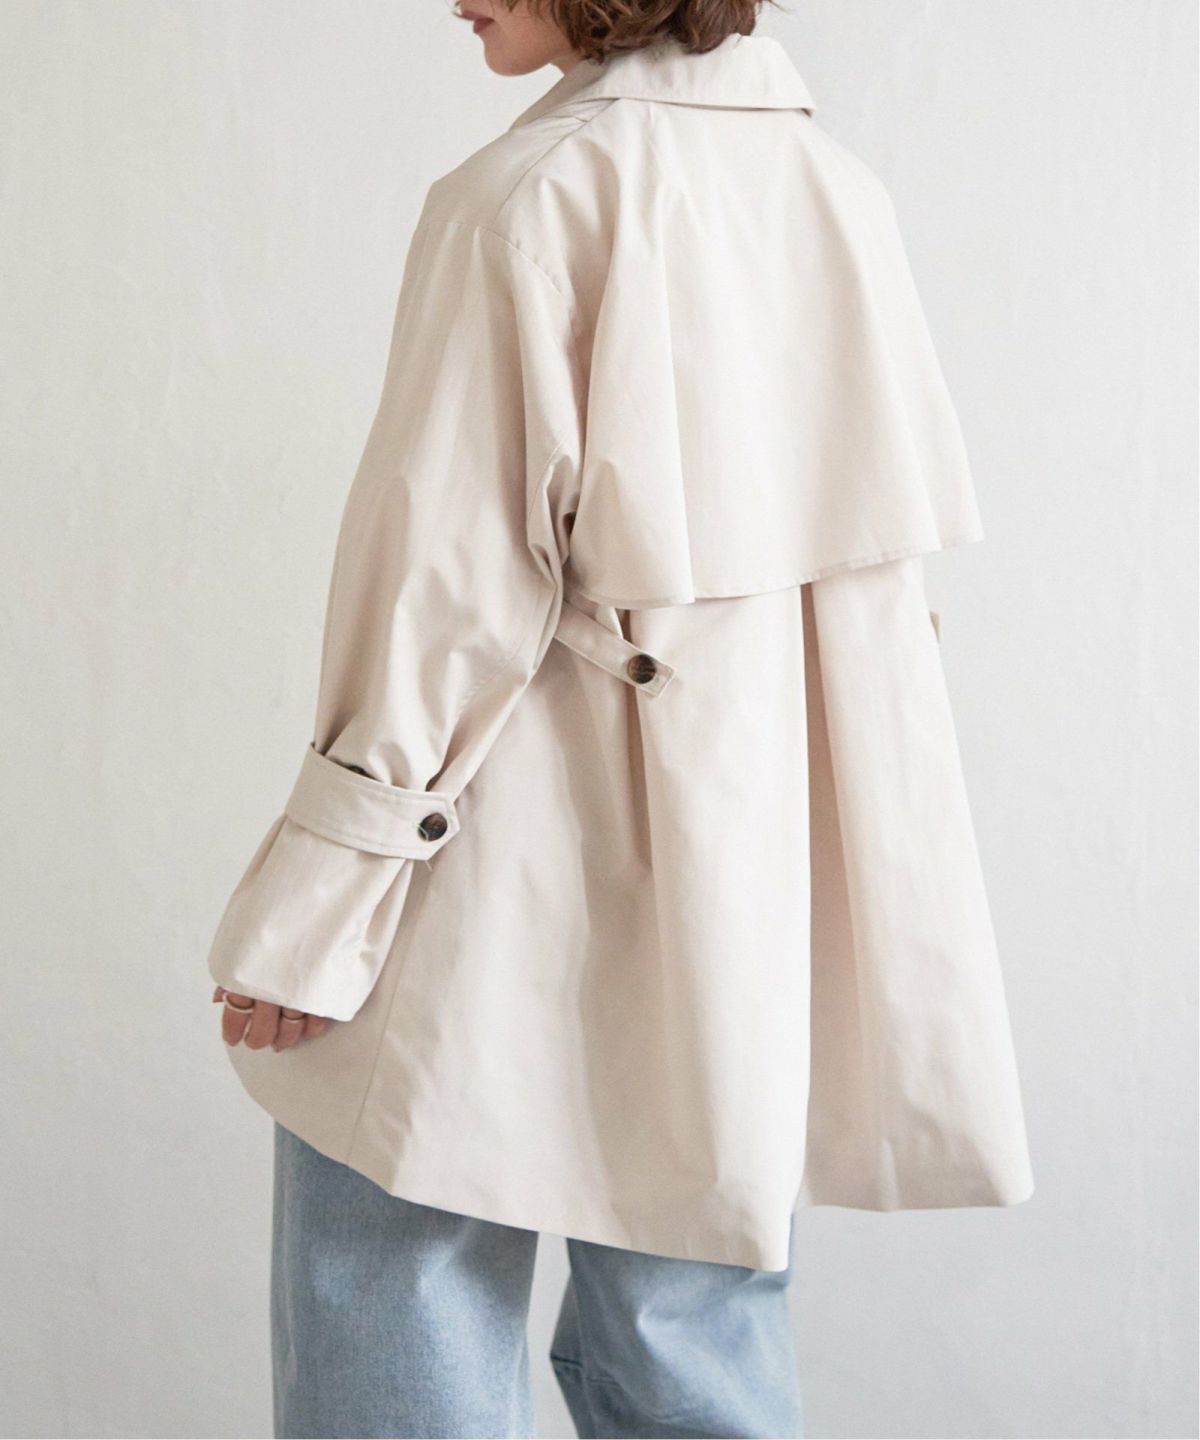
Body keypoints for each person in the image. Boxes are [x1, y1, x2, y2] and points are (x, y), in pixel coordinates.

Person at [206, 2, 1035, 1436]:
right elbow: (874, 600)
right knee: (690, 1295)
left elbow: (444, 593)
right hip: (741, 877)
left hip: (487, 854)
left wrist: (325, 893)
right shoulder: (835, 191)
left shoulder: (527, 197)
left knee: (393, 1245)